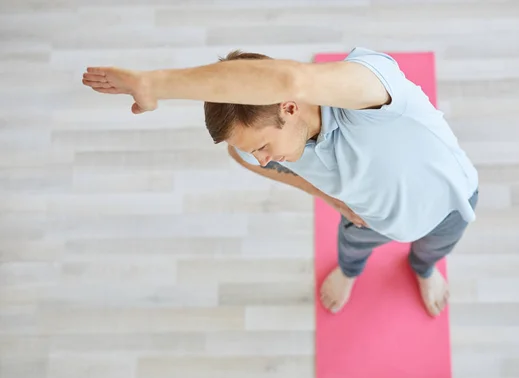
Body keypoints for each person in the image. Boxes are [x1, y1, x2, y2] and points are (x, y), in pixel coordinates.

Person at [82, 47, 479, 317]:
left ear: (289, 106)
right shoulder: (271, 148)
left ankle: (424, 269)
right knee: (351, 249)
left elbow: (290, 77)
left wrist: (157, 86)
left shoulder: (373, 97)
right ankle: (350, 270)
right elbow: (246, 157)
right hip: (368, 219)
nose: (264, 157)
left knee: (431, 252)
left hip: (449, 206)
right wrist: (324, 194)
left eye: (263, 145)